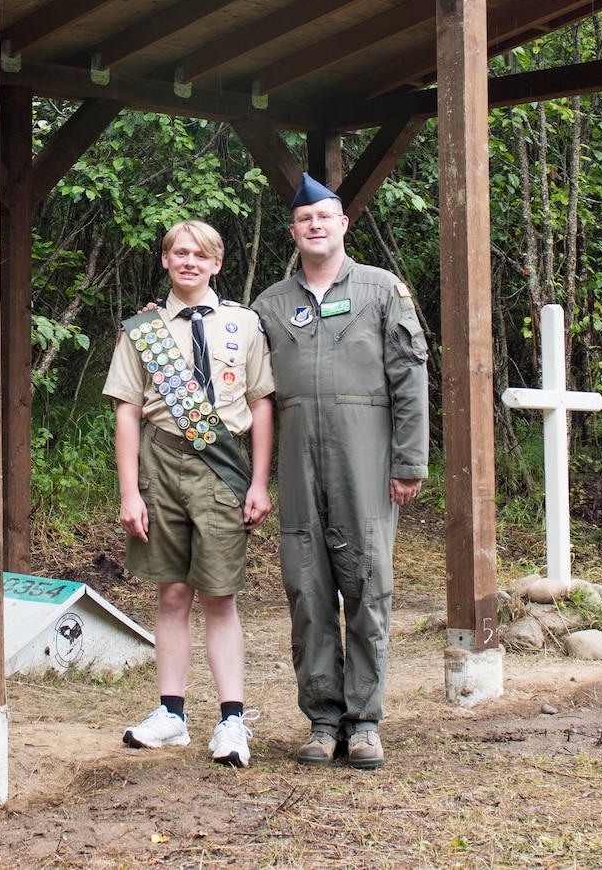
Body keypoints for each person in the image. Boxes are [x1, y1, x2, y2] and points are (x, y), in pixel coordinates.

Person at [249, 173, 428, 771]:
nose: (315, 226)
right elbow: (230, 366)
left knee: (369, 585)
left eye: (325, 216)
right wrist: (164, 319)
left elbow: (410, 379)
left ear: (343, 224)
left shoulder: (383, 291)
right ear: (294, 231)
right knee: (308, 588)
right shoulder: (270, 305)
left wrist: (409, 461)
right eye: (305, 220)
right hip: (298, 466)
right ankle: (323, 719)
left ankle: (366, 720)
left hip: (367, 462)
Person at [104, 219, 275, 768]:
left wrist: (259, 481)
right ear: (165, 261)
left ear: (216, 263)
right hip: (160, 464)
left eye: (200, 255)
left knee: (219, 597)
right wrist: (130, 492)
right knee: (172, 594)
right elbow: (127, 412)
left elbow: (262, 401)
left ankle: (231, 721)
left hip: (223, 469)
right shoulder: (143, 330)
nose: (189, 262)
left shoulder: (243, 325)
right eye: (179, 253)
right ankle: (171, 715)